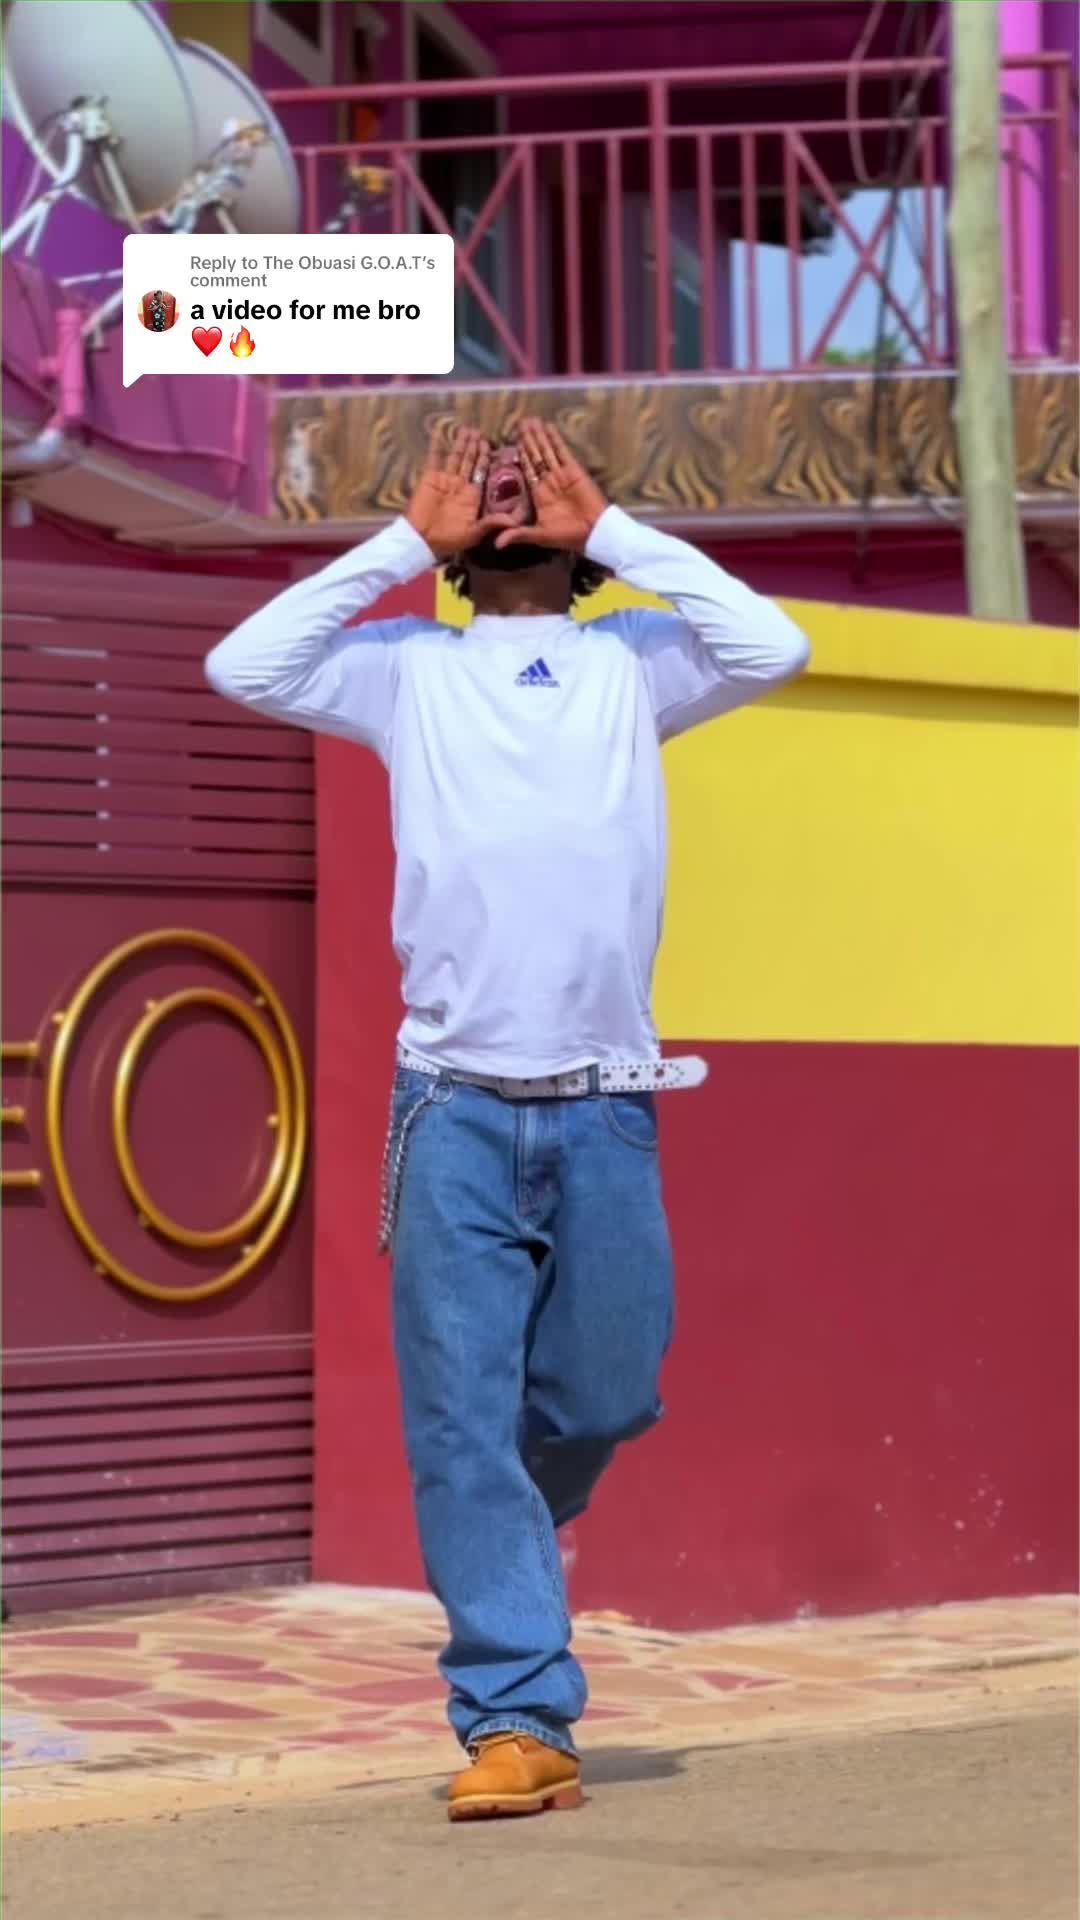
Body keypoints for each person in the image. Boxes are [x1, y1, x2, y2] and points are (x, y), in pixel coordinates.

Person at [205, 419, 810, 1820]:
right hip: (454, 1111)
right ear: (454, 538)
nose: (508, 496)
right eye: (487, 488)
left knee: (609, 1396)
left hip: (607, 1109)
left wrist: (619, 533)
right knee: (461, 1423)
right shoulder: (407, 671)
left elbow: (774, 645)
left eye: (533, 483)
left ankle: (500, 1530)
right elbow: (244, 665)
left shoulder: (635, 664)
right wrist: (397, 547)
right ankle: (517, 1717)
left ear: (578, 526)